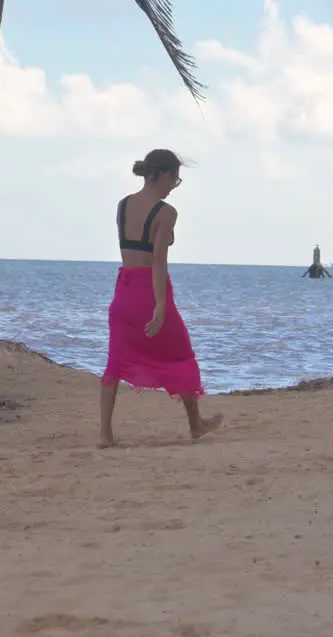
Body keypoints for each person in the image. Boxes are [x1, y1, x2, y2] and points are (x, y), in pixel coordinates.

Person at [98, 148, 223, 448]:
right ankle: (195, 424)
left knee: (115, 363)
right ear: (161, 174)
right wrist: (161, 307)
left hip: (123, 289)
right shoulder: (166, 212)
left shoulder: (123, 205)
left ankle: (105, 434)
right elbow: (158, 261)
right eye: (175, 179)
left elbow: (135, 247)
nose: (174, 186)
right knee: (181, 353)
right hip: (149, 290)